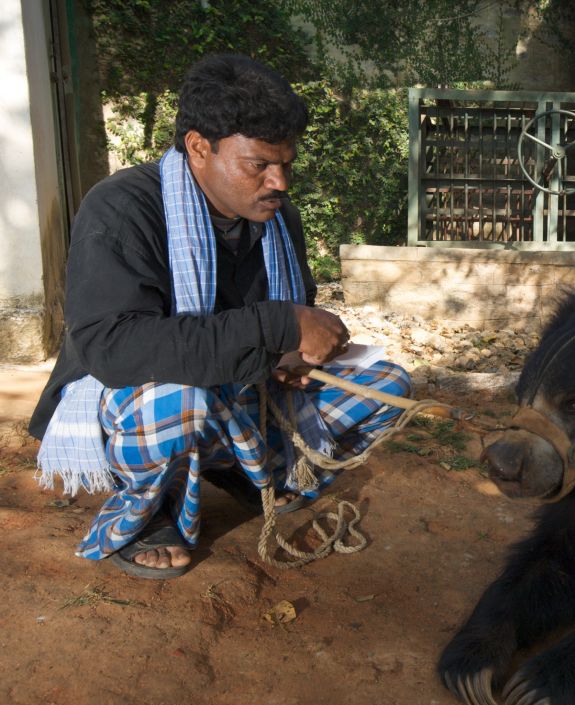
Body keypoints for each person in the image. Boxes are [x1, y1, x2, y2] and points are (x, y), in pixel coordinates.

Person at [29, 54, 412, 578]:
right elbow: (114, 349)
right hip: (135, 392)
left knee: (385, 383)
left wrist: (290, 352)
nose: (280, 181)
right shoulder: (121, 207)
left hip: (243, 385)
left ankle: (251, 474)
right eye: (259, 164)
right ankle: (148, 516)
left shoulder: (279, 218)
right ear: (198, 147)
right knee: (177, 403)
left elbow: (286, 310)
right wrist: (277, 326)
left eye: (288, 163)